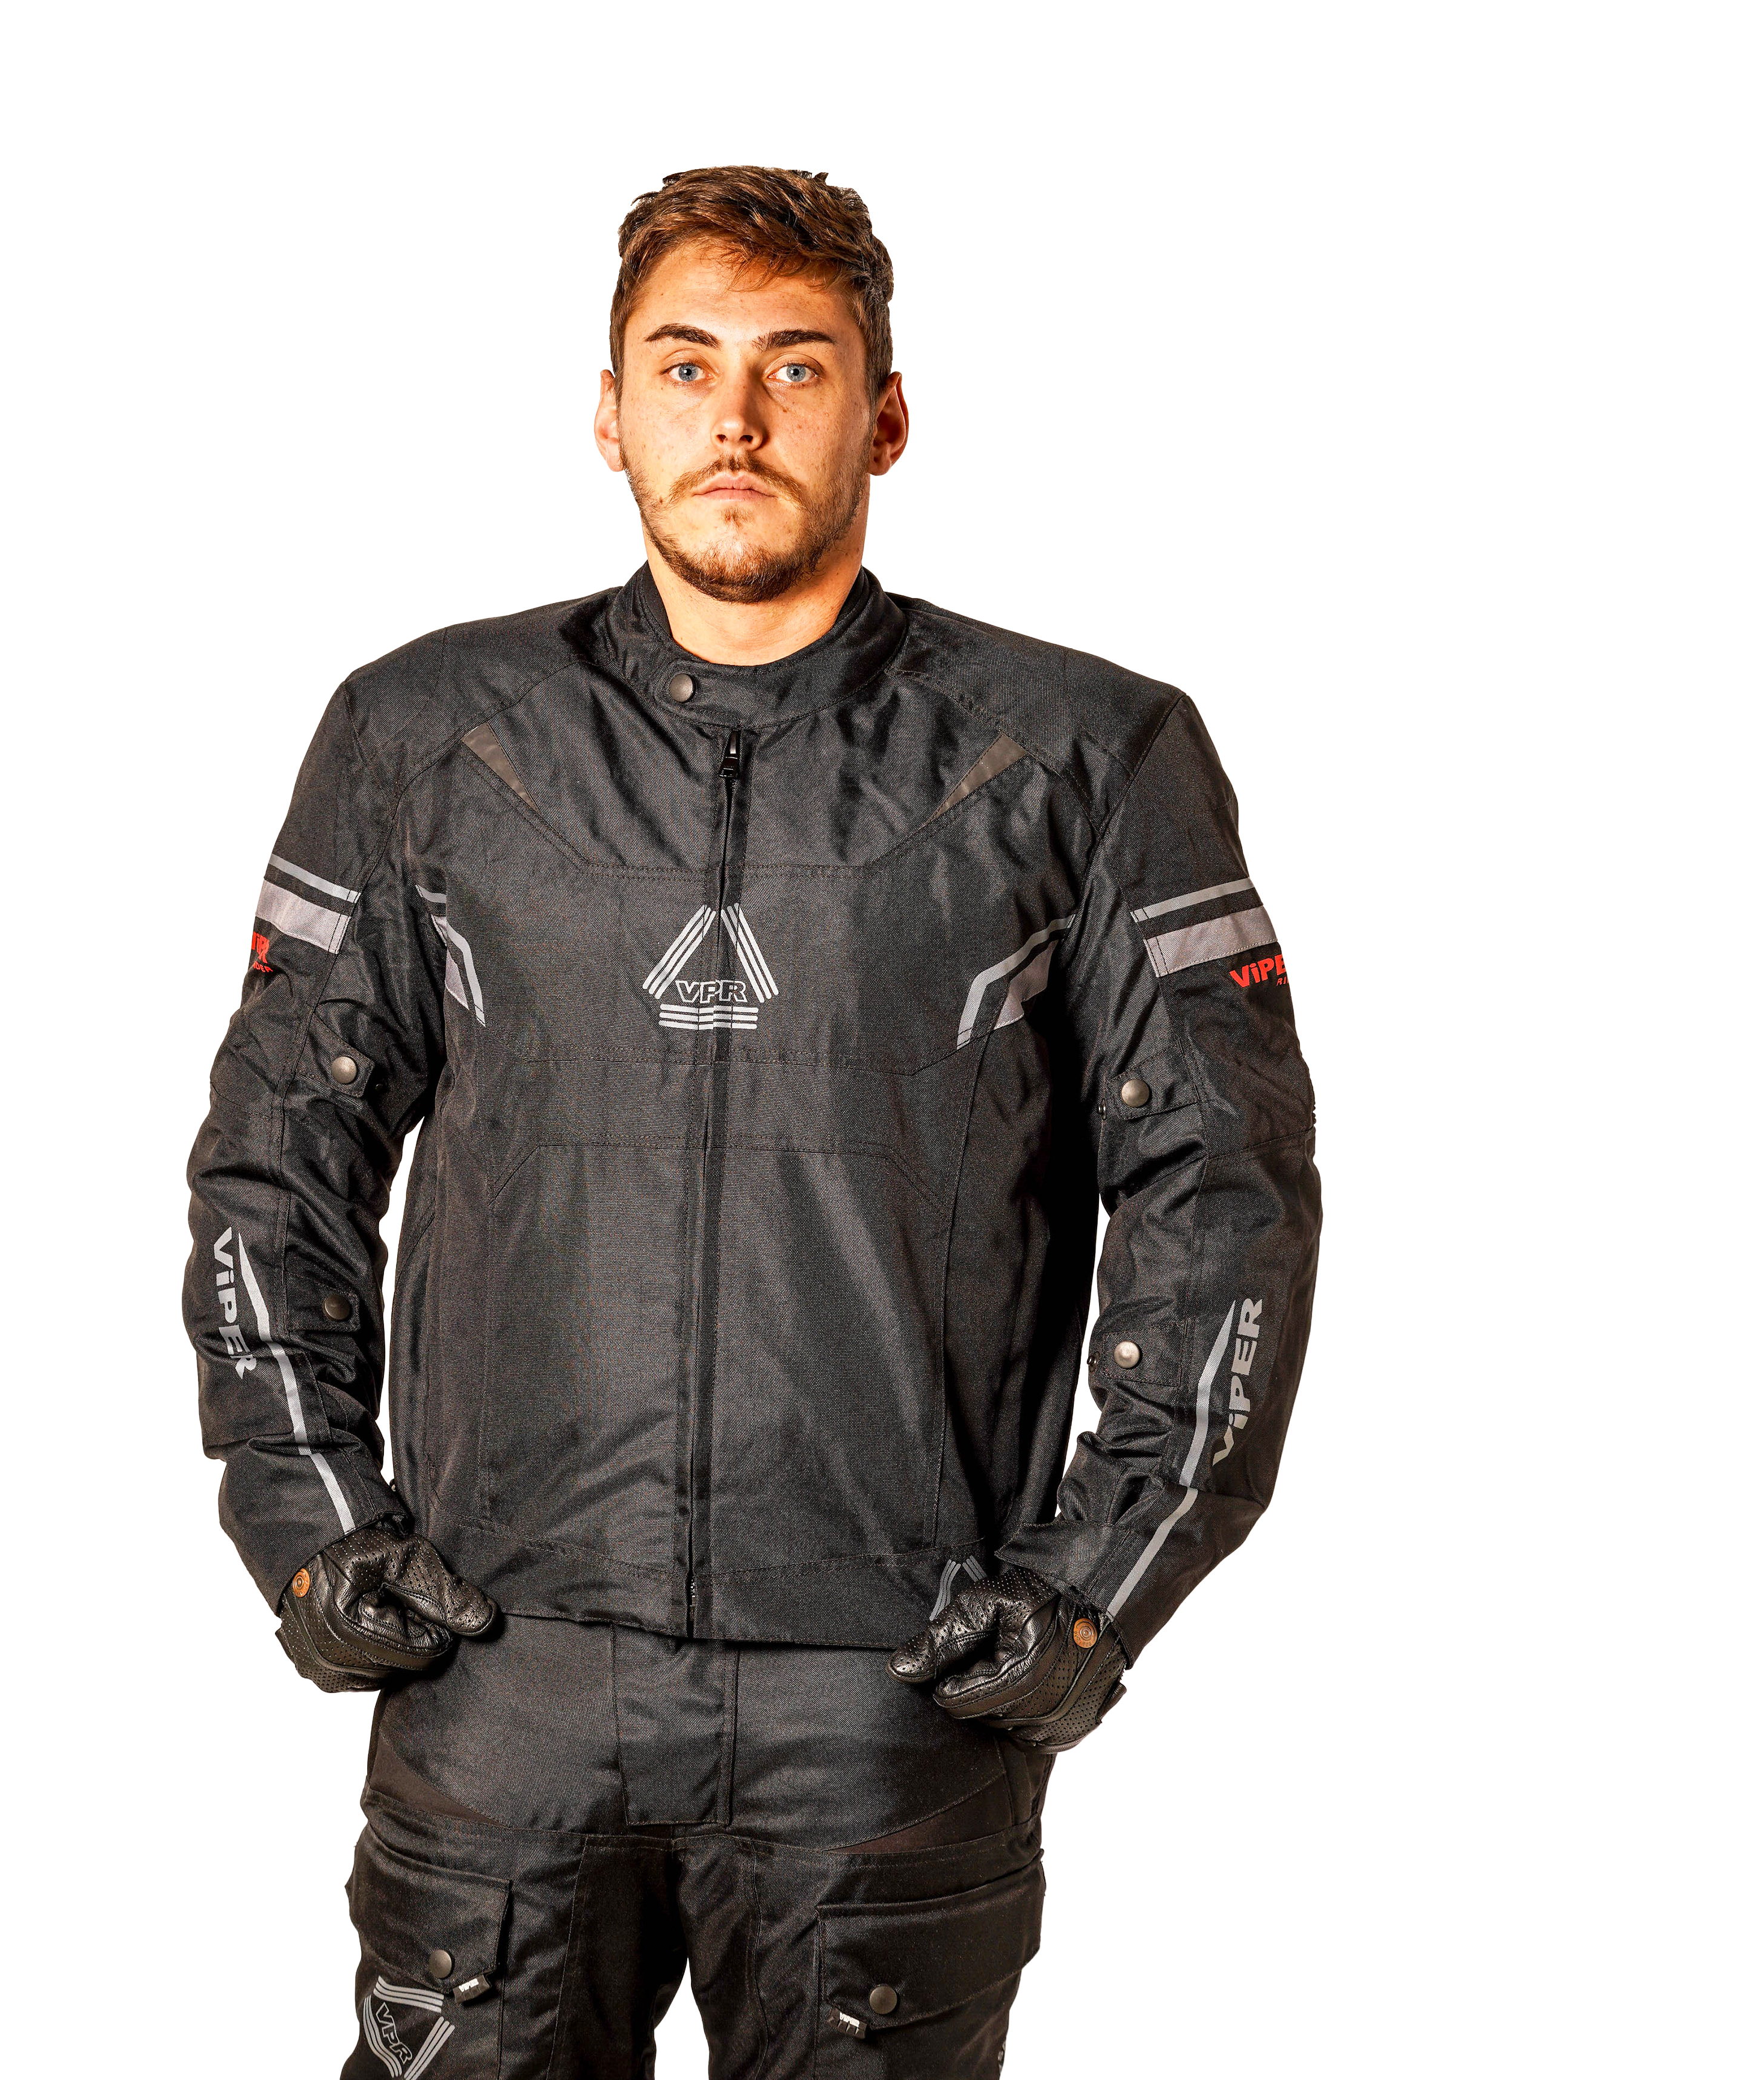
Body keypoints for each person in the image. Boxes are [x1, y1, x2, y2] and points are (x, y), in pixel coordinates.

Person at [184, 164, 1320, 2079]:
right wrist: (309, 1522)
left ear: (885, 414)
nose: (735, 416)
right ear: (607, 410)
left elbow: (1226, 1195)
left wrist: (1100, 1588)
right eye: (685, 363)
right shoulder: (425, 735)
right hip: (503, 1680)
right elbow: (277, 1158)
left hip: (891, 1702)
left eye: (795, 366)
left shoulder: (1083, 753)